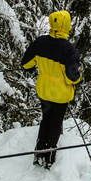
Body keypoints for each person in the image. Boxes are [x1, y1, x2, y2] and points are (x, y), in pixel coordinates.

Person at [21, 10, 81, 169]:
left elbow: (26, 64)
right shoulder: (69, 50)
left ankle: (38, 153)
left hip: (44, 91)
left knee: (45, 119)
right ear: (66, 27)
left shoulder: (40, 42)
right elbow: (72, 77)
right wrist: (79, 77)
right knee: (55, 122)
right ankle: (49, 156)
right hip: (60, 94)